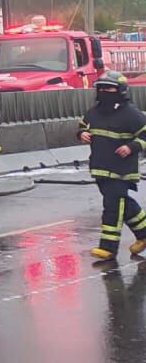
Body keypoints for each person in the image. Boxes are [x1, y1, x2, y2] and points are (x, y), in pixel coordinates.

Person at [79, 70, 146, 260]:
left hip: (121, 171)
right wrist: (81, 133)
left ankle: (108, 247)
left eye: (108, 88)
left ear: (120, 90)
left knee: (112, 207)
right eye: (101, 88)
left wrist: (131, 147)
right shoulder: (94, 112)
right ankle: (144, 234)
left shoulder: (131, 114)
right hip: (100, 168)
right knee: (123, 203)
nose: (104, 92)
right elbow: (83, 125)